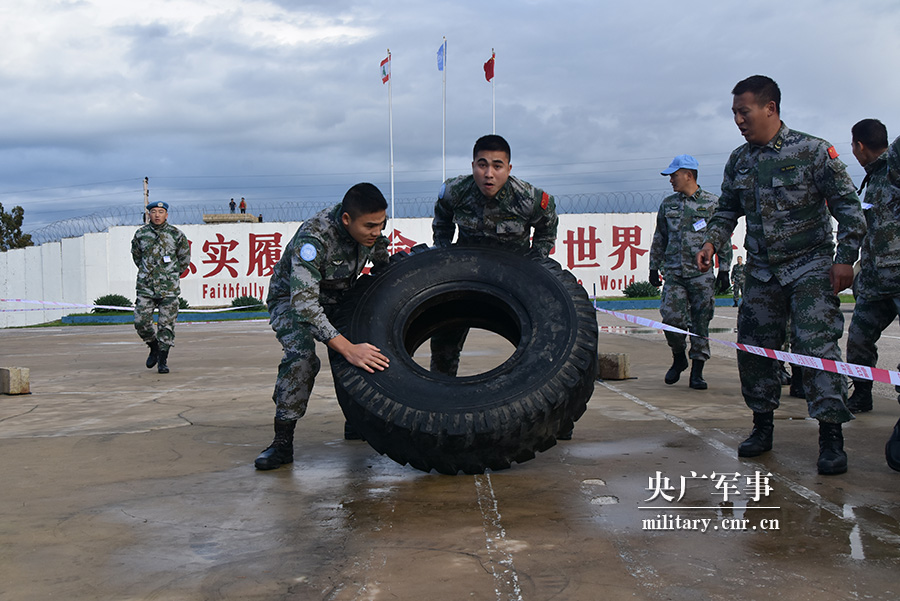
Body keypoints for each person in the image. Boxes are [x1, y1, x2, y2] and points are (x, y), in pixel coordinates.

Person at [696, 75, 866, 475]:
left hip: (810, 266)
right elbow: (725, 211)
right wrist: (711, 242)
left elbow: (849, 209)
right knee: (755, 349)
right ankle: (761, 427)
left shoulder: (813, 151)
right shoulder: (739, 160)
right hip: (762, 271)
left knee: (817, 349)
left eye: (744, 111)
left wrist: (845, 258)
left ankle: (830, 436)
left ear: (770, 108)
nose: (738, 119)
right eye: (734, 112)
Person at [431, 134, 569, 439]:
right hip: (467, 274)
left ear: (508, 168)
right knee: (444, 340)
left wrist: (537, 262)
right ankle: (437, 405)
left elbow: (547, 227)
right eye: (482, 165)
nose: (488, 174)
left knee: (543, 348)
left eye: (497, 165)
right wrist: (442, 251)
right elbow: (442, 219)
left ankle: (558, 414)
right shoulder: (455, 191)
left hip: (515, 280)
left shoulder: (529, 198)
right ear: (473, 165)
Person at [255, 183, 391, 470]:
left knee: (368, 350)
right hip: (292, 300)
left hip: (341, 296)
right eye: (369, 226)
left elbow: (381, 259)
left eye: (380, 224)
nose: (376, 231)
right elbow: (304, 305)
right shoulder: (314, 238)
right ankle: (282, 442)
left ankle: (356, 421)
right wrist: (346, 347)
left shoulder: (372, 231)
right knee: (302, 357)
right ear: (346, 220)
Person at [649, 154, 731, 390]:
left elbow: (722, 238)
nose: (671, 180)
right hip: (674, 273)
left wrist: (725, 269)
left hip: (701, 275)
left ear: (689, 175)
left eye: (674, 175)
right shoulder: (668, 204)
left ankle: (697, 371)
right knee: (671, 319)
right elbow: (660, 237)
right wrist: (654, 266)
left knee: (701, 323)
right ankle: (679, 357)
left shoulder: (712, 204)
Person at [845, 119, 899, 414]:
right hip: (874, 282)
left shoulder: (894, 167)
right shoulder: (871, 180)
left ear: (859, 146)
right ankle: (862, 393)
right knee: (858, 340)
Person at [131, 201, 191, 374]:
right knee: (140, 322)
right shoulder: (141, 234)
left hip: (169, 288)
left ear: (167, 215)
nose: (157, 215)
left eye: (161, 212)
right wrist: (148, 273)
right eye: (154, 212)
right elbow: (137, 257)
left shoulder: (176, 235)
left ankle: (163, 360)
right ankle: (154, 347)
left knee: (166, 326)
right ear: (148, 214)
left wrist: (170, 275)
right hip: (146, 287)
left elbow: (184, 259)